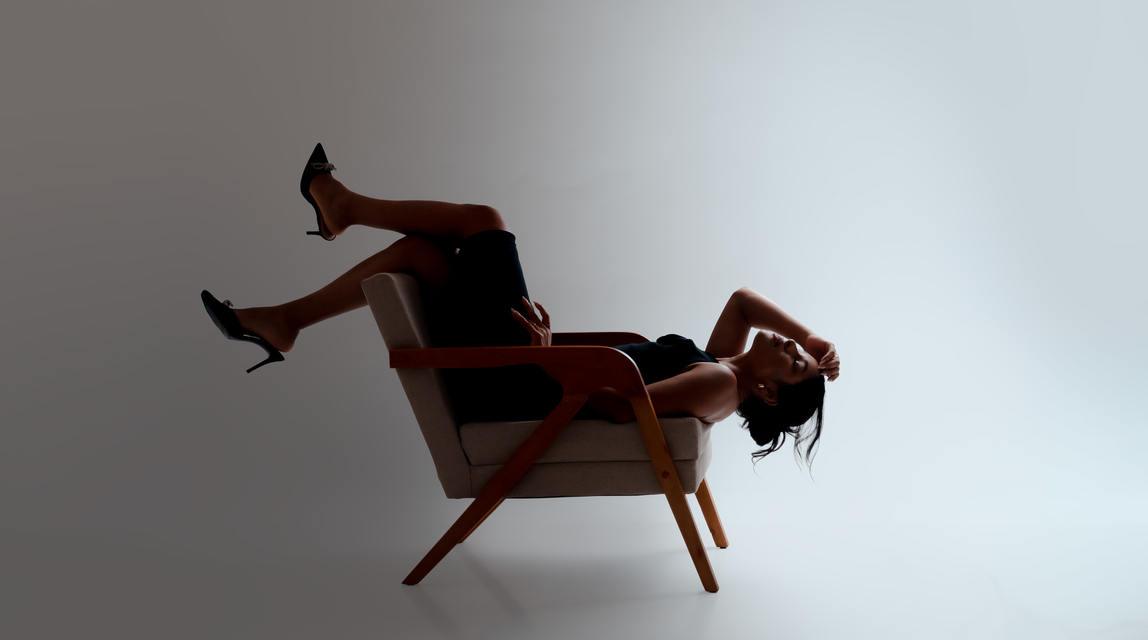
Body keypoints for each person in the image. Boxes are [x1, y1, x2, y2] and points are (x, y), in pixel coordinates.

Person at [202, 145, 840, 464]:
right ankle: (285, 321)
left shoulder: (718, 385)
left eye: (793, 363)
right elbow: (743, 301)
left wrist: (545, 356)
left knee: (484, 221)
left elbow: (619, 407)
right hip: (528, 373)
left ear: (769, 393)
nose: (790, 347)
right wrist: (815, 341)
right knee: (423, 254)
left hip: (519, 386)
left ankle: (342, 209)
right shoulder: (724, 367)